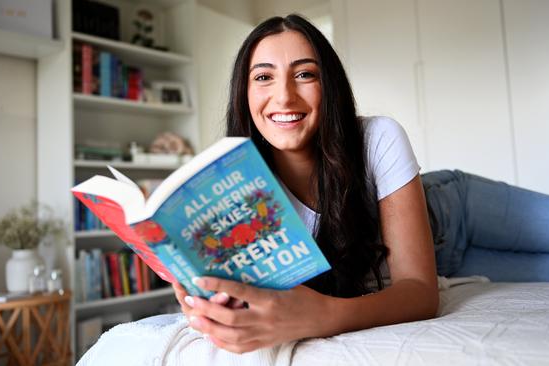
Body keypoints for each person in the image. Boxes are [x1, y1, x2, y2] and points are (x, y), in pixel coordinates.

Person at [171, 14, 438, 354]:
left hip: (450, 209)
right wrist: (208, 303)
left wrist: (323, 316)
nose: (284, 96)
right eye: (264, 77)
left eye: (305, 74)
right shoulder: (232, 188)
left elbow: (421, 292)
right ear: (244, 92)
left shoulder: (379, 138)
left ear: (330, 86)